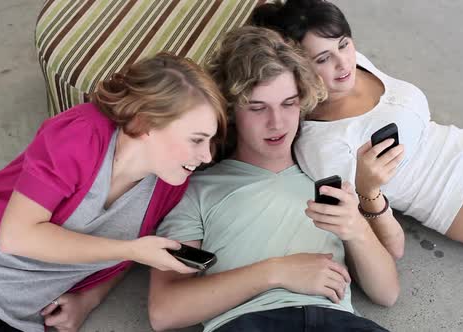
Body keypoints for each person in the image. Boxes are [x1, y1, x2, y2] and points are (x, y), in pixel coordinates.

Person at [0, 53, 227, 332]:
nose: (206, 156)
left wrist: (89, 299)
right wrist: (131, 249)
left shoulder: (168, 185)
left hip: (11, 319)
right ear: (145, 123)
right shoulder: (81, 133)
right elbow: (17, 236)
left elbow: (135, 252)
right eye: (196, 140)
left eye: (210, 141)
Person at [148, 26, 401, 332]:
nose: (277, 123)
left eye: (289, 103)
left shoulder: (326, 175)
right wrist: (277, 272)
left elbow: (387, 293)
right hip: (250, 324)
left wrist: (358, 229)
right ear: (230, 110)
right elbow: (165, 312)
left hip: (341, 323)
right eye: (257, 108)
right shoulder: (197, 190)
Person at [252, 0, 463, 254]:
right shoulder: (323, 144)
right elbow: (387, 248)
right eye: (323, 59)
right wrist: (367, 190)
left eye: (344, 44)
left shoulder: (357, 65)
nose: (342, 62)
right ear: (297, 67)